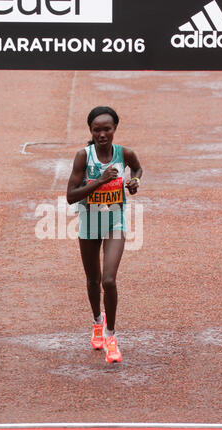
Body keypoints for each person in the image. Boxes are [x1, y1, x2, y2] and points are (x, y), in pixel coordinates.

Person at [66, 106, 142, 363]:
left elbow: (138, 170)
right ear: (91, 131)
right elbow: (70, 196)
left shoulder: (125, 153)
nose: (102, 134)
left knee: (109, 280)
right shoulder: (82, 157)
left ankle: (111, 336)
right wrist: (99, 180)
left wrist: (134, 183)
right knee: (93, 281)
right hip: (89, 223)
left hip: (114, 223)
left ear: (114, 129)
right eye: (96, 130)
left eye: (106, 129)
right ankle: (97, 322)